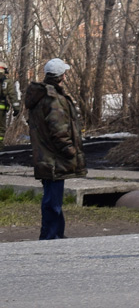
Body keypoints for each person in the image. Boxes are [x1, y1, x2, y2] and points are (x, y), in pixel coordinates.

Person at [25, 58, 86, 240]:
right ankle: (50, 237)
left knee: (53, 198)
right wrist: (70, 151)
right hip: (54, 158)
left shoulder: (41, 96)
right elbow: (59, 130)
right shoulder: (54, 99)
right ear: (62, 76)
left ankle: (57, 234)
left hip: (45, 156)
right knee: (53, 200)